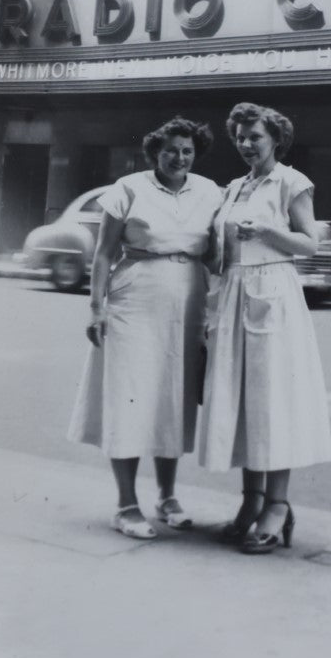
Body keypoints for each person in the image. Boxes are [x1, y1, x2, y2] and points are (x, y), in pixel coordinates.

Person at [68, 117, 224, 539]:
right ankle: (126, 504)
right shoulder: (128, 189)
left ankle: (167, 497)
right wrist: (95, 308)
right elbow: (102, 255)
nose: (179, 157)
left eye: (188, 151)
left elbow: (216, 253)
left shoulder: (211, 192)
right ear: (155, 151)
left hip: (189, 299)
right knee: (131, 397)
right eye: (171, 149)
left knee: (174, 396)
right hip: (135, 298)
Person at [197, 102, 331, 554]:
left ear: (276, 138)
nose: (246, 144)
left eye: (254, 136)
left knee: (272, 399)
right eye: (239, 137)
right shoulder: (235, 187)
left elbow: (310, 243)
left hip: (272, 292)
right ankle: (250, 502)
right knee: (243, 401)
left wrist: (267, 233)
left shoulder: (291, 183)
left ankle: (277, 505)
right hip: (234, 294)